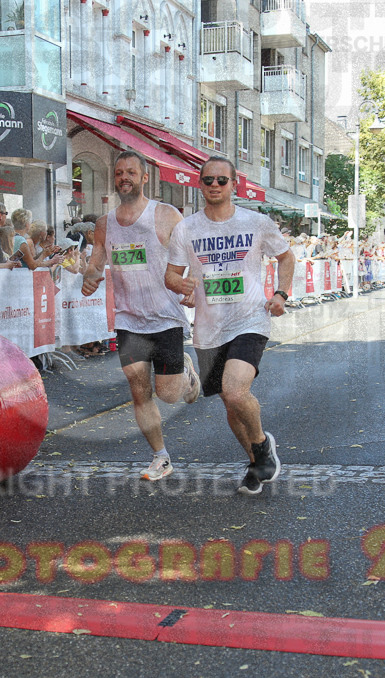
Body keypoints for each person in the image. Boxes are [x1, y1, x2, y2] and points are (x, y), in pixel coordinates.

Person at [165, 156, 295, 495]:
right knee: (228, 401)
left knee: (236, 391)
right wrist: (185, 286)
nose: (214, 186)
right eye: (207, 180)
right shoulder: (187, 228)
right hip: (209, 328)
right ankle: (255, 460)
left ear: (233, 184)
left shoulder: (256, 222)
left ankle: (263, 447)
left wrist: (280, 294)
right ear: (200, 184)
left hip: (250, 318)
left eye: (221, 180)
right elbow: (171, 276)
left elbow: (286, 256)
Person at [81, 150, 201, 482]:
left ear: (144, 177)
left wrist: (191, 287)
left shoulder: (165, 215)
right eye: (119, 173)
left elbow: (195, 255)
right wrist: (90, 276)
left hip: (166, 317)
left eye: (131, 172)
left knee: (169, 394)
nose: (124, 178)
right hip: (129, 319)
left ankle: (187, 373)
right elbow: (96, 261)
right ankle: (160, 457)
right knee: (138, 389)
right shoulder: (105, 224)